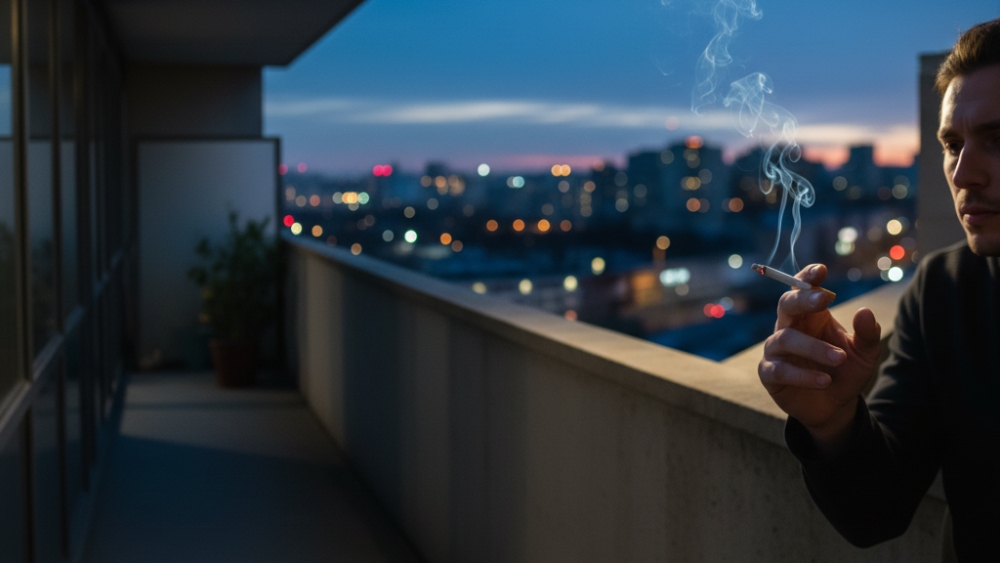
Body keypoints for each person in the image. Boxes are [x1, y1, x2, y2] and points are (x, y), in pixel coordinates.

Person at [757, 18, 999, 563]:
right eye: (952, 144)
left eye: (997, 140)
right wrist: (833, 421)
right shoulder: (942, 291)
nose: (963, 174)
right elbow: (877, 512)